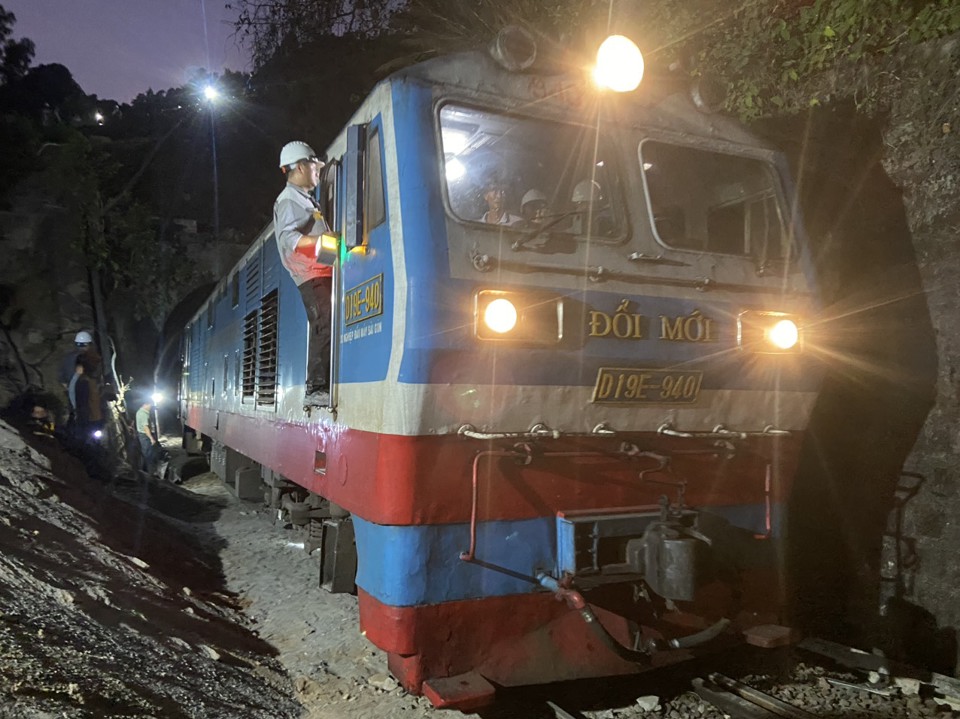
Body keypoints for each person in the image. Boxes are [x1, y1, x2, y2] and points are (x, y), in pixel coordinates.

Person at [273, 140, 333, 403]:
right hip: (311, 275)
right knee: (324, 323)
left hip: (322, 271)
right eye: (314, 166)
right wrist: (327, 242)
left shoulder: (306, 200)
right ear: (299, 167)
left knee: (328, 322)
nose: (317, 170)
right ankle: (316, 389)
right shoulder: (288, 200)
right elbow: (289, 238)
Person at [135, 397, 158, 475]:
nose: (150, 407)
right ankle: (149, 473)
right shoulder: (143, 414)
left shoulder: (139, 412)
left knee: (145, 454)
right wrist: (151, 438)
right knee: (148, 455)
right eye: (150, 405)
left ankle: (144, 472)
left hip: (142, 436)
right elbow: (145, 427)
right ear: (145, 404)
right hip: (145, 436)